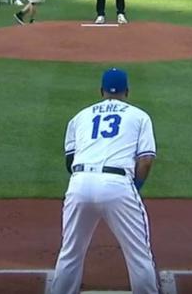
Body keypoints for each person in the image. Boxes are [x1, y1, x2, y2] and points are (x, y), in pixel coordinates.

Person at [51, 68, 159, 294]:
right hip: (117, 184)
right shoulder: (139, 116)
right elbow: (146, 160)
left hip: (79, 182)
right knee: (139, 256)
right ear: (127, 91)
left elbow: (70, 161)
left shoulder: (80, 116)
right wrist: (134, 188)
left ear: (101, 91)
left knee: (70, 253)